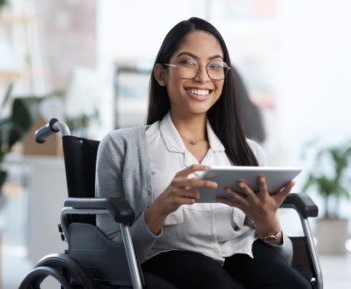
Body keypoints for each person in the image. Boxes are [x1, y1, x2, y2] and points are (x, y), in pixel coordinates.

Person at [95, 17, 310, 289]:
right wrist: (159, 209)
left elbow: (279, 255)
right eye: (188, 62)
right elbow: (106, 256)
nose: (203, 76)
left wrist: (268, 224)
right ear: (161, 74)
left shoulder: (249, 152)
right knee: (215, 282)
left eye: (215, 66)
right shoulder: (120, 146)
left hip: (240, 254)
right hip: (165, 258)